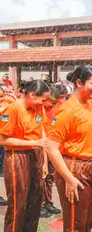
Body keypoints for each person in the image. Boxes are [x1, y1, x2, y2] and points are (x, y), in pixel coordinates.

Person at [46, 65, 92, 231]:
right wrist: (69, 179)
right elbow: (51, 148)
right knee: (75, 223)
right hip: (75, 168)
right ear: (79, 82)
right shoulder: (67, 110)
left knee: (87, 220)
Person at [0, 80, 49, 232]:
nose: (44, 103)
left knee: (35, 202)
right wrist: (35, 142)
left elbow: (42, 133)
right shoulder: (12, 109)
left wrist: (45, 161)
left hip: (36, 154)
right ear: (32, 95)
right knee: (18, 204)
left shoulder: (38, 107)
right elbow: (2, 139)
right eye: (42, 99)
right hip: (17, 156)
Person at [41, 85, 63, 218]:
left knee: (50, 177)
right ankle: (40, 204)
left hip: (52, 147)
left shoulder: (55, 108)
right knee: (40, 177)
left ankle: (48, 202)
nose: (54, 105)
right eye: (52, 102)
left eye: (56, 103)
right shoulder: (39, 109)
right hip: (41, 146)